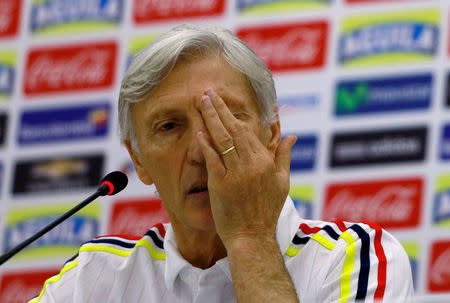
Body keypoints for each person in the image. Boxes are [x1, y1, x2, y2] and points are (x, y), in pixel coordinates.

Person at [29, 24, 414, 303]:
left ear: (270, 134)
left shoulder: (355, 259)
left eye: (225, 118)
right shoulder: (93, 280)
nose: (201, 151)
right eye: (169, 126)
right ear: (138, 160)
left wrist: (249, 238)